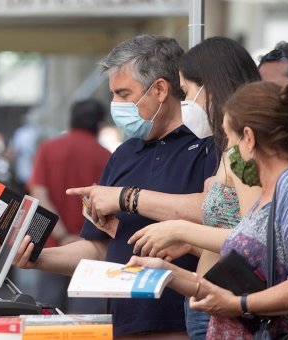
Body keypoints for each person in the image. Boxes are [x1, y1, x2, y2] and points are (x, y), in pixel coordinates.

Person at [8, 35, 218, 338]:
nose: (116, 106)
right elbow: (100, 249)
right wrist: (37, 257)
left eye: (124, 94)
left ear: (159, 89)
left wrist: (126, 198)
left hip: (185, 325)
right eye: (113, 95)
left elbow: (214, 214)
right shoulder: (123, 155)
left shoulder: (207, 147)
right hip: (122, 324)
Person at [126, 81, 288, 339]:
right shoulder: (268, 195)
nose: (229, 154)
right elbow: (244, 280)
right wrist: (166, 272)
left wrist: (240, 305)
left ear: (249, 137)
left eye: (231, 140)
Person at [108, 37, 262, 340]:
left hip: (225, 302)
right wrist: (191, 245)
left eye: (188, 92)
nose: (186, 102)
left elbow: (253, 239)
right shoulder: (230, 149)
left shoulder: (241, 151)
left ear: (211, 88)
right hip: (204, 301)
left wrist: (180, 231)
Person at [27, 98, 111, 314]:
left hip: (51, 247)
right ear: (100, 124)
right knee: (86, 321)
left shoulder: (48, 149)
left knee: (47, 316)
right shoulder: (107, 156)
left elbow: (39, 195)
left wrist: (62, 235)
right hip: (92, 251)